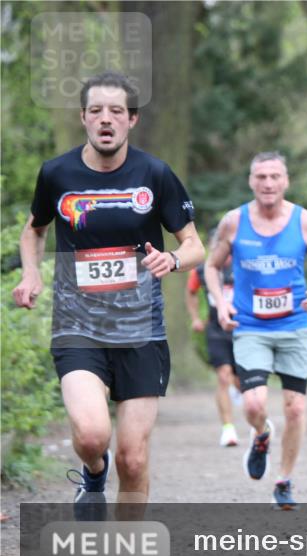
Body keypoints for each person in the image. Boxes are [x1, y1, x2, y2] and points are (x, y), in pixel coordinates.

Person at [12, 71, 205, 517]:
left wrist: (172, 260)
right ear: (83, 117)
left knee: (133, 459)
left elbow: (195, 245)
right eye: (96, 110)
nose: (105, 119)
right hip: (78, 326)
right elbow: (34, 230)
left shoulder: (154, 173)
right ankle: (93, 473)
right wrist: (31, 274)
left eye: (116, 111)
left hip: (141, 331)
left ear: (131, 120)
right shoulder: (57, 173)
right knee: (92, 436)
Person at [204, 151, 307, 510]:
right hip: (250, 326)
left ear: (285, 181)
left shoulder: (305, 221)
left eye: (274, 176)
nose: (268, 183)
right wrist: (221, 304)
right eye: (261, 176)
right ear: (251, 181)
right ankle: (261, 434)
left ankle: (283, 480)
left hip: (294, 326)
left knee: (295, 408)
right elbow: (211, 267)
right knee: (253, 403)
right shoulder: (233, 222)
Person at [185, 238, 241, 447]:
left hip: (243, 329)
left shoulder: (243, 265)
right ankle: (228, 429)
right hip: (216, 330)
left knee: (241, 382)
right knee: (223, 376)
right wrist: (195, 318)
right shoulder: (201, 271)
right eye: (216, 248)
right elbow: (191, 293)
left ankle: (250, 408)